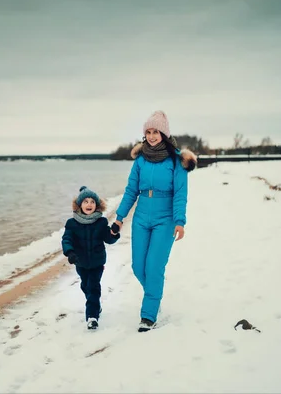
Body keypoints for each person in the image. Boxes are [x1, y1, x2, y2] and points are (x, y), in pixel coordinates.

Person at [112, 110, 196, 332]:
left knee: (154, 267)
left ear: (164, 134)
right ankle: (154, 296)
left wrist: (180, 221)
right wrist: (119, 218)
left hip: (165, 218)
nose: (151, 136)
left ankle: (148, 316)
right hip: (141, 217)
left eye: (155, 132)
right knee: (139, 266)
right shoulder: (140, 160)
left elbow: (180, 193)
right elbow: (131, 190)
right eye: (148, 132)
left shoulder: (176, 160)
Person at [62, 186, 120, 330]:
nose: (89, 204)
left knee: (93, 287)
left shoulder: (101, 222)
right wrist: (70, 252)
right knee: (85, 285)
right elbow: (66, 239)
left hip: (97, 262)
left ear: (97, 205)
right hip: (80, 262)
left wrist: (113, 233)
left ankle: (92, 316)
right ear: (79, 205)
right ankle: (95, 305)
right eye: (86, 201)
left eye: (92, 202)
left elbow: (108, 239)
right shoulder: (72, 223)